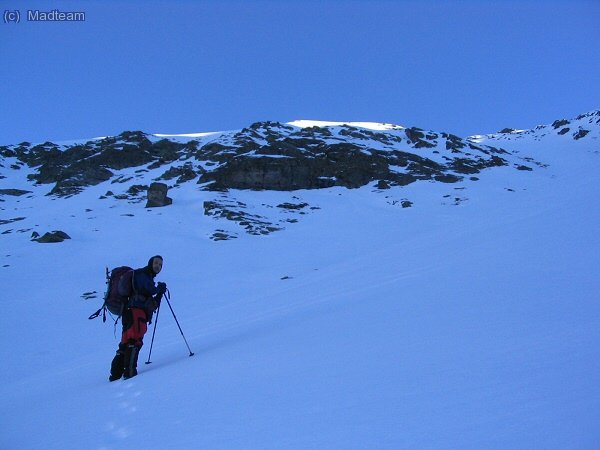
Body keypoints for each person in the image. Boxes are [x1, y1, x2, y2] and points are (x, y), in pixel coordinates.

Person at [109, 255, 167, 381]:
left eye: (160, 265)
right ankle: (130, 372)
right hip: (136, 313)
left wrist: (159, 292)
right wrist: (159, 289)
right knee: (134, 341)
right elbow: (150, 290)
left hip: (129, 312)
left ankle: (115, 374)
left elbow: (151, 301)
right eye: (156, 263)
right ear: (150, 263)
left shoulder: (144, 276)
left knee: (125, 342)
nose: (158, 266)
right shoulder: (143, 274)